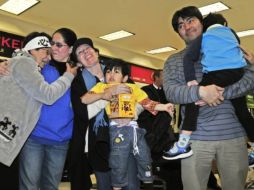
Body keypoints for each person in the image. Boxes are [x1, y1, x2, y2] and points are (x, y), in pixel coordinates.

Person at [163, 6, 254, 190]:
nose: (187, 27)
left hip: (233, 136)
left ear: (202, 23)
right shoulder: (173, 61)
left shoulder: (228, 47)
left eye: (190, 21)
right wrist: (201, 92)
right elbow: (171, 92)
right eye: (181, 25)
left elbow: (249, 83)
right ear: (178, 33)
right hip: (194, 140)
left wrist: (219, 93)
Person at [81, 58, 174, 190]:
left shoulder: (132, 88)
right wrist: (104, 94)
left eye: (116, 72)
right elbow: (84, 99)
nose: (111, 75)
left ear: (124, 78)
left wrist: (164, 107)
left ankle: (148, 182)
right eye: (108, 72)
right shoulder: (102, 87)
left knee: (145, 155)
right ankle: (117, 186)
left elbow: (146, 103)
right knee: (118, 159)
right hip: (117, 130)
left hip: (135, 129)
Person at [0, 31, 77, 189]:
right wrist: (68, 76)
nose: (49, 55)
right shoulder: (26, 63)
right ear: (32, 50)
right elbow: (47, 95)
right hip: (20, 135)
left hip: (44, 138)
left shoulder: (31, 66)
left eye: (58, 45)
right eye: (46, 50)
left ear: (70, 49)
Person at [69, 38, 140, 190]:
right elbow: (82, 113)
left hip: (124, 138)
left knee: (131, 185)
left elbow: (137, 98)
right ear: (79, 62)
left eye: (88, 48)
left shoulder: (116, 69)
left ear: (96, 52)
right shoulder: (77, 83)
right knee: (105, 185)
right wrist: (106, 95)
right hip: (98, 144)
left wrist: (131, 115)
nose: (86, 53)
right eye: (80, 52)